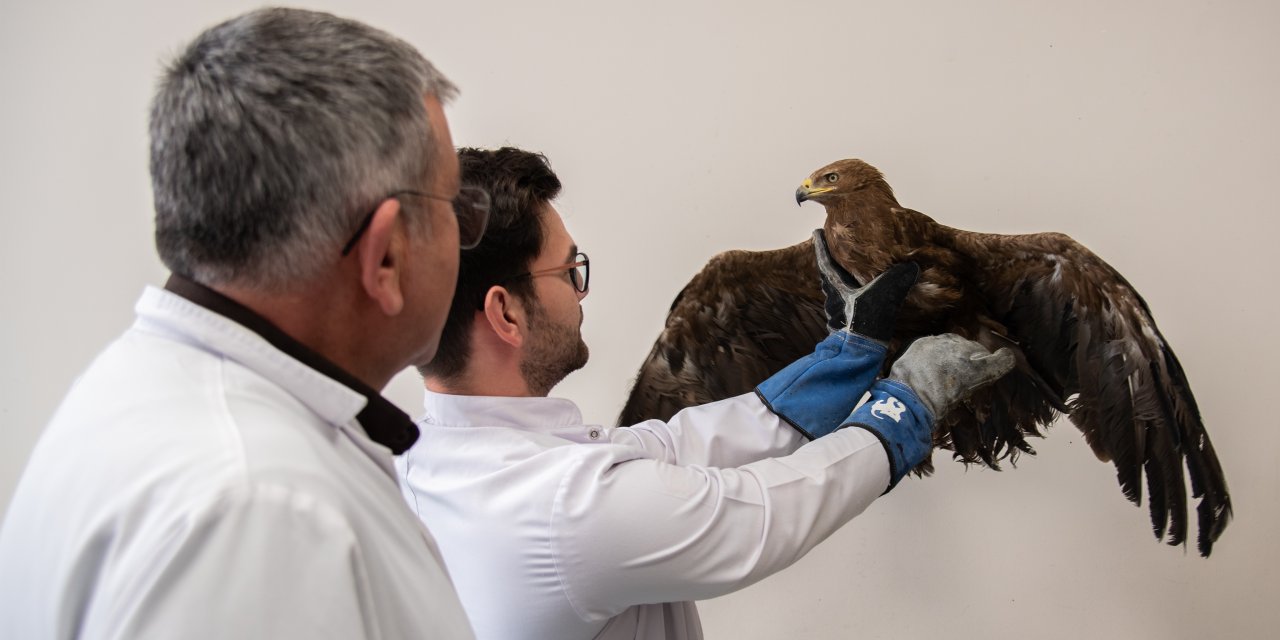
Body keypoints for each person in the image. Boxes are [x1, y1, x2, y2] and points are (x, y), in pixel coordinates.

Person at [396, 146, 1015, 639]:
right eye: (568, 271)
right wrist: (904, 405)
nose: (581, 291)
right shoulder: (562, 511)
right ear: (505, 314)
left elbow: (674, 445)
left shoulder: (422, 464)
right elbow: (767, 514)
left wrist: (848, 355)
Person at [0, 8, 482, 638]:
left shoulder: (147, 391)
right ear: (385, 255)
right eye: (455, 203)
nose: (462, 231)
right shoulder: (260, 509)